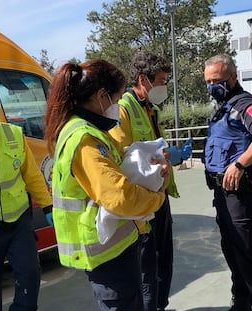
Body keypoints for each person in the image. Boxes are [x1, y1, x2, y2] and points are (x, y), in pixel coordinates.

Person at [44, 59, 167, 310]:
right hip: (105, 251)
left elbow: (111, 175)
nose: (118, 105)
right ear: (102, 96)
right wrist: (158, 196)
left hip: (113, 244)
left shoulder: (89, 131)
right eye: (117, 97)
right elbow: (119, 196)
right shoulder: (84, 138)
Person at [202, 54, 252, 311]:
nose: (212, 86)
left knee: (247, 255)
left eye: (217, 80)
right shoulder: (222, 107)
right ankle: (242, 303)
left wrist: (239, 165)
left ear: (233, 78)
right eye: (208, 81)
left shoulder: (244, 105)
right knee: (233, 253)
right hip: (223, 192)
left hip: (240, 192)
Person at [109, 50, 181, 311]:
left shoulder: (151, 108)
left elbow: (153, 145)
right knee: (146, 266)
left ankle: (160, 306)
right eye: (160, 80)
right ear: (143, 79)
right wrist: (159, 160)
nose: (163, 86)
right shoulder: (123, 109)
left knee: (164, 261)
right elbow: (125, 157)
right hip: (141, 203)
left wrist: (170, 156)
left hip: (158, 195)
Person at [0, 81, 53, 311]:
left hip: (18, 222)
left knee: (30, 275)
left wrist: (49, 206)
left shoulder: (13, 133)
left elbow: (31, 175)